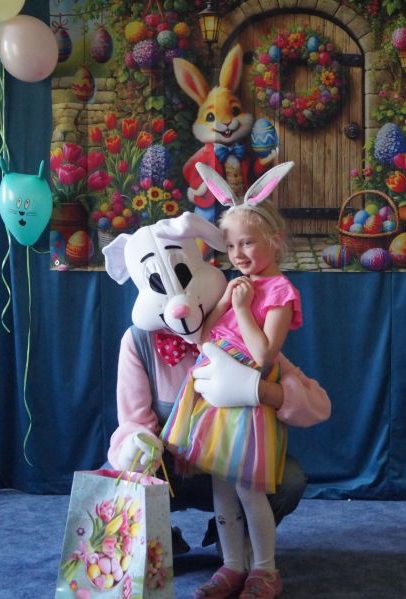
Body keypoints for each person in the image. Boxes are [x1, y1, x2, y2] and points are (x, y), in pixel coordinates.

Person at [100, 210, 330, 588]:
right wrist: (139, 445)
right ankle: (168, 540)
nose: (178, 303)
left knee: (281, 482)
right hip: (176, 465)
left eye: (247, 242)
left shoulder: (242, 317)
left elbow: (315, 403)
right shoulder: (140, 341)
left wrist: (257, 389)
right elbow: (133, 419)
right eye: (233, 245)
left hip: (235, 437)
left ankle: (256, 561)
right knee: (124, 472)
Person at [161, 196, 298, 599]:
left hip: (245, 402)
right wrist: (225, 302)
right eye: (231, 245)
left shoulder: (280, 291)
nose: (238, 253)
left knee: (249, 491)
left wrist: (240, 309)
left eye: (248, 243)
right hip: (212, 399)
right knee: (221, 488)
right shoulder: (236, 286)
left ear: (274, 240)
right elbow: (203, 338)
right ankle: (232, 565)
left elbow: (263, 355)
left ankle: (265, 570)